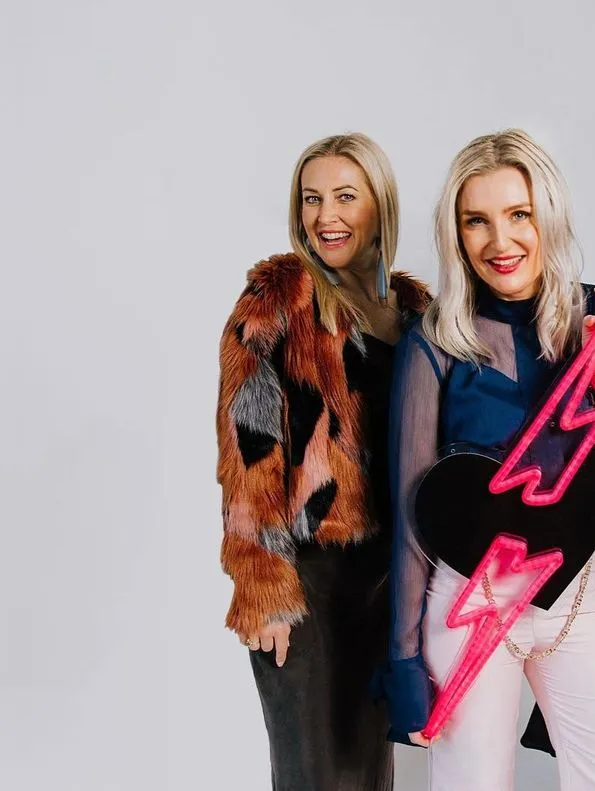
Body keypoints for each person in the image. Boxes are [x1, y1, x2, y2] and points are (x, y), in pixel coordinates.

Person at [376, 129, 595, 791]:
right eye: (476, 220)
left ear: (548, 216)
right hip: (468, 600)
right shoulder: (435, 344)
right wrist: (403, 659)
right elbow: (412, 517)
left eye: (518, 214)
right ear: (456, 233)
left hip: (579, 595)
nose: (499, 241)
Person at [215, 133, 430, 790]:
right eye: (312, 199)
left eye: (344, 197)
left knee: (371, 775)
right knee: (312, 777)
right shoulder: (278, 300)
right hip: (305, 580)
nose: (325, 217)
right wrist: (262, 585)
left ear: (380, 207)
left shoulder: (416, 312)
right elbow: (247, 446)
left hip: (388, 584)